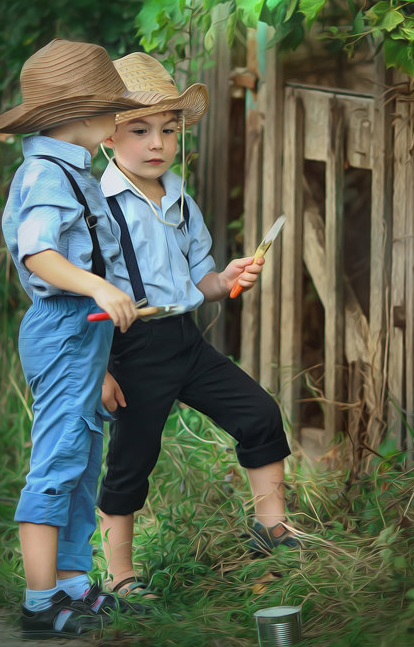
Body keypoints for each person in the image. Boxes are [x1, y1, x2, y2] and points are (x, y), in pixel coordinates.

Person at [96, 52, 300, 602]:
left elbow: (199, 282)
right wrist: (100, 372)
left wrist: (226, 278)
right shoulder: (99, 208)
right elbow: (82, 297)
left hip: (185, 340)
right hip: (129, 350)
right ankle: (118, 576)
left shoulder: (180, 200)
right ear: (107, 138)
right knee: (131, 460)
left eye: (167, 129)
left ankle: (271, 527)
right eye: (139, 130)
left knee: (258, 413)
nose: (157, 143)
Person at [0, 39, 155, 639]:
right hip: (62, 326)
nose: (118, 118)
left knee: (83, 462)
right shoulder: (45, 174)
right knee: (57, 461)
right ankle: (38, 603)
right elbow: (40, 253)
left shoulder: (68, 170)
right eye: (114, 108)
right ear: (83, 116)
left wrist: (101, 363)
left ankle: (70, 581)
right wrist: (99, 289)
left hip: (82, 338)